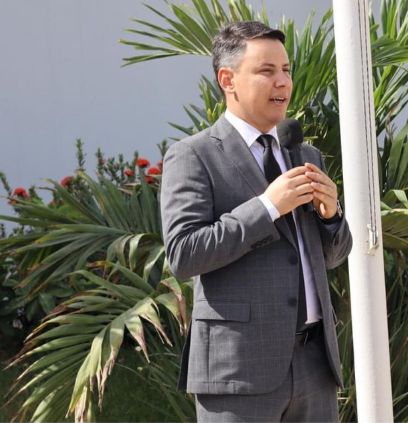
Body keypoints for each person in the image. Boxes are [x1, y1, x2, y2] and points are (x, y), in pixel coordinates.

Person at [160, 20, 352, 422]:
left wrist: (332, 216)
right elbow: (184, 254)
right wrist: (266, 207)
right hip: (239, 372)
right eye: (266, 71)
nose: (282, 82)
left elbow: (332, 257)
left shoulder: (305, 155)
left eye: (286, 70)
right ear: (227, 80)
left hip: (315, 366)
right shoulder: (194, 155)